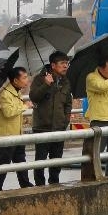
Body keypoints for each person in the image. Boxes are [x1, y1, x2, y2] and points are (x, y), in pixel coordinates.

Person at [29, 50, 74, 186]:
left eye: (67, 63)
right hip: (42, 127)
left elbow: (68, 103)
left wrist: (65, 120)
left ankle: (54, 183)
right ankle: (40, 186)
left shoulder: (65, 82)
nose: (65, 66)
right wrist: (46, 84)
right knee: (41, 160)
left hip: (59, 127)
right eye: (62, 63)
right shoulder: (40, 78)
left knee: (56, 160)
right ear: (53, 65)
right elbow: (34, 97)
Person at [0, 65, 33, 191]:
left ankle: (25, 184)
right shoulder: (5, 94)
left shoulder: (16, 92)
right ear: (15, 80)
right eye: (24, 78)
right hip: (6, 135)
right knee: (3, 164)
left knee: (21, 161)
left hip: (17, 134)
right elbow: (8, 112)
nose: (27, 80)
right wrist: (25, 106)